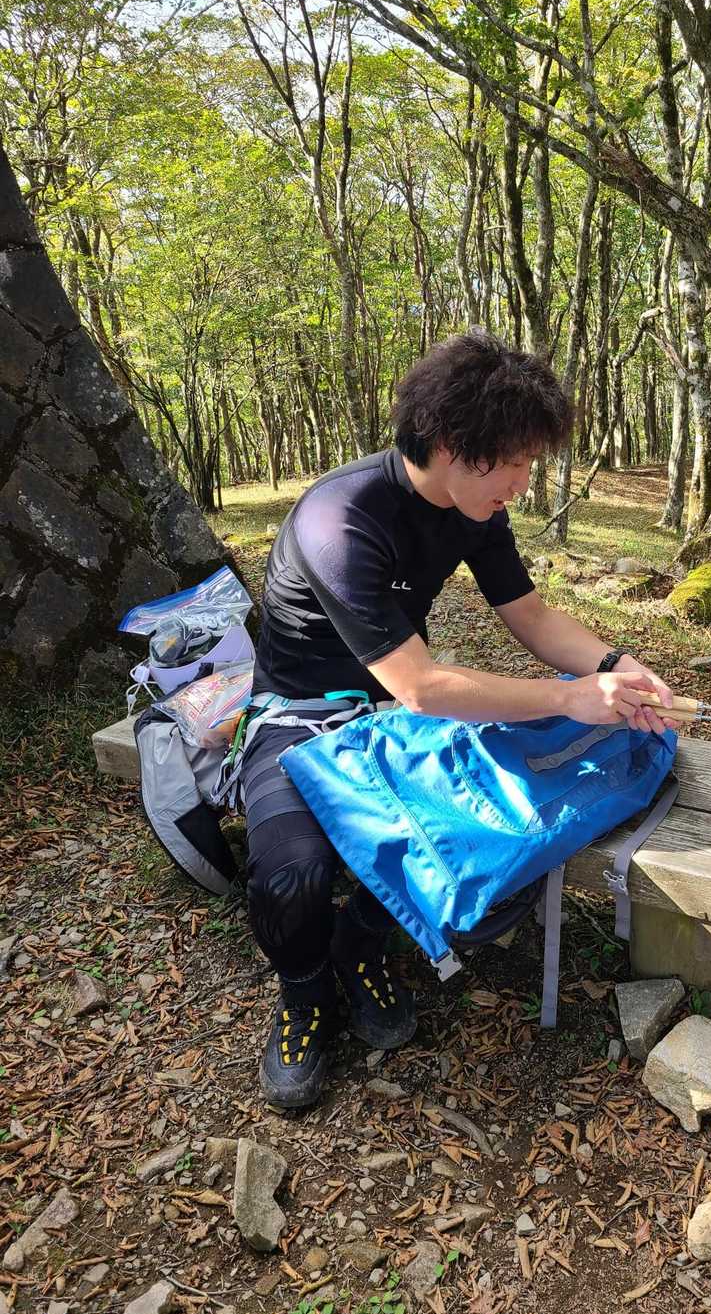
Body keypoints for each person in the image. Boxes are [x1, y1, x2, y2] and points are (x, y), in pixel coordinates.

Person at [242, 328, 677, 1108]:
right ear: (450, 445)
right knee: (292, 875)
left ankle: (360, 943)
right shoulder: (340, 520)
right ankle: (304, 994)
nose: (522, 484)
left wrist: (615, 664)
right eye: (513, 462)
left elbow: (531, 616)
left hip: (392, 720)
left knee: (491, 836)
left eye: (530, 464)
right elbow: (421, 685)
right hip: (301, 717)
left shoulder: (474, 507)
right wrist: (568, 696)